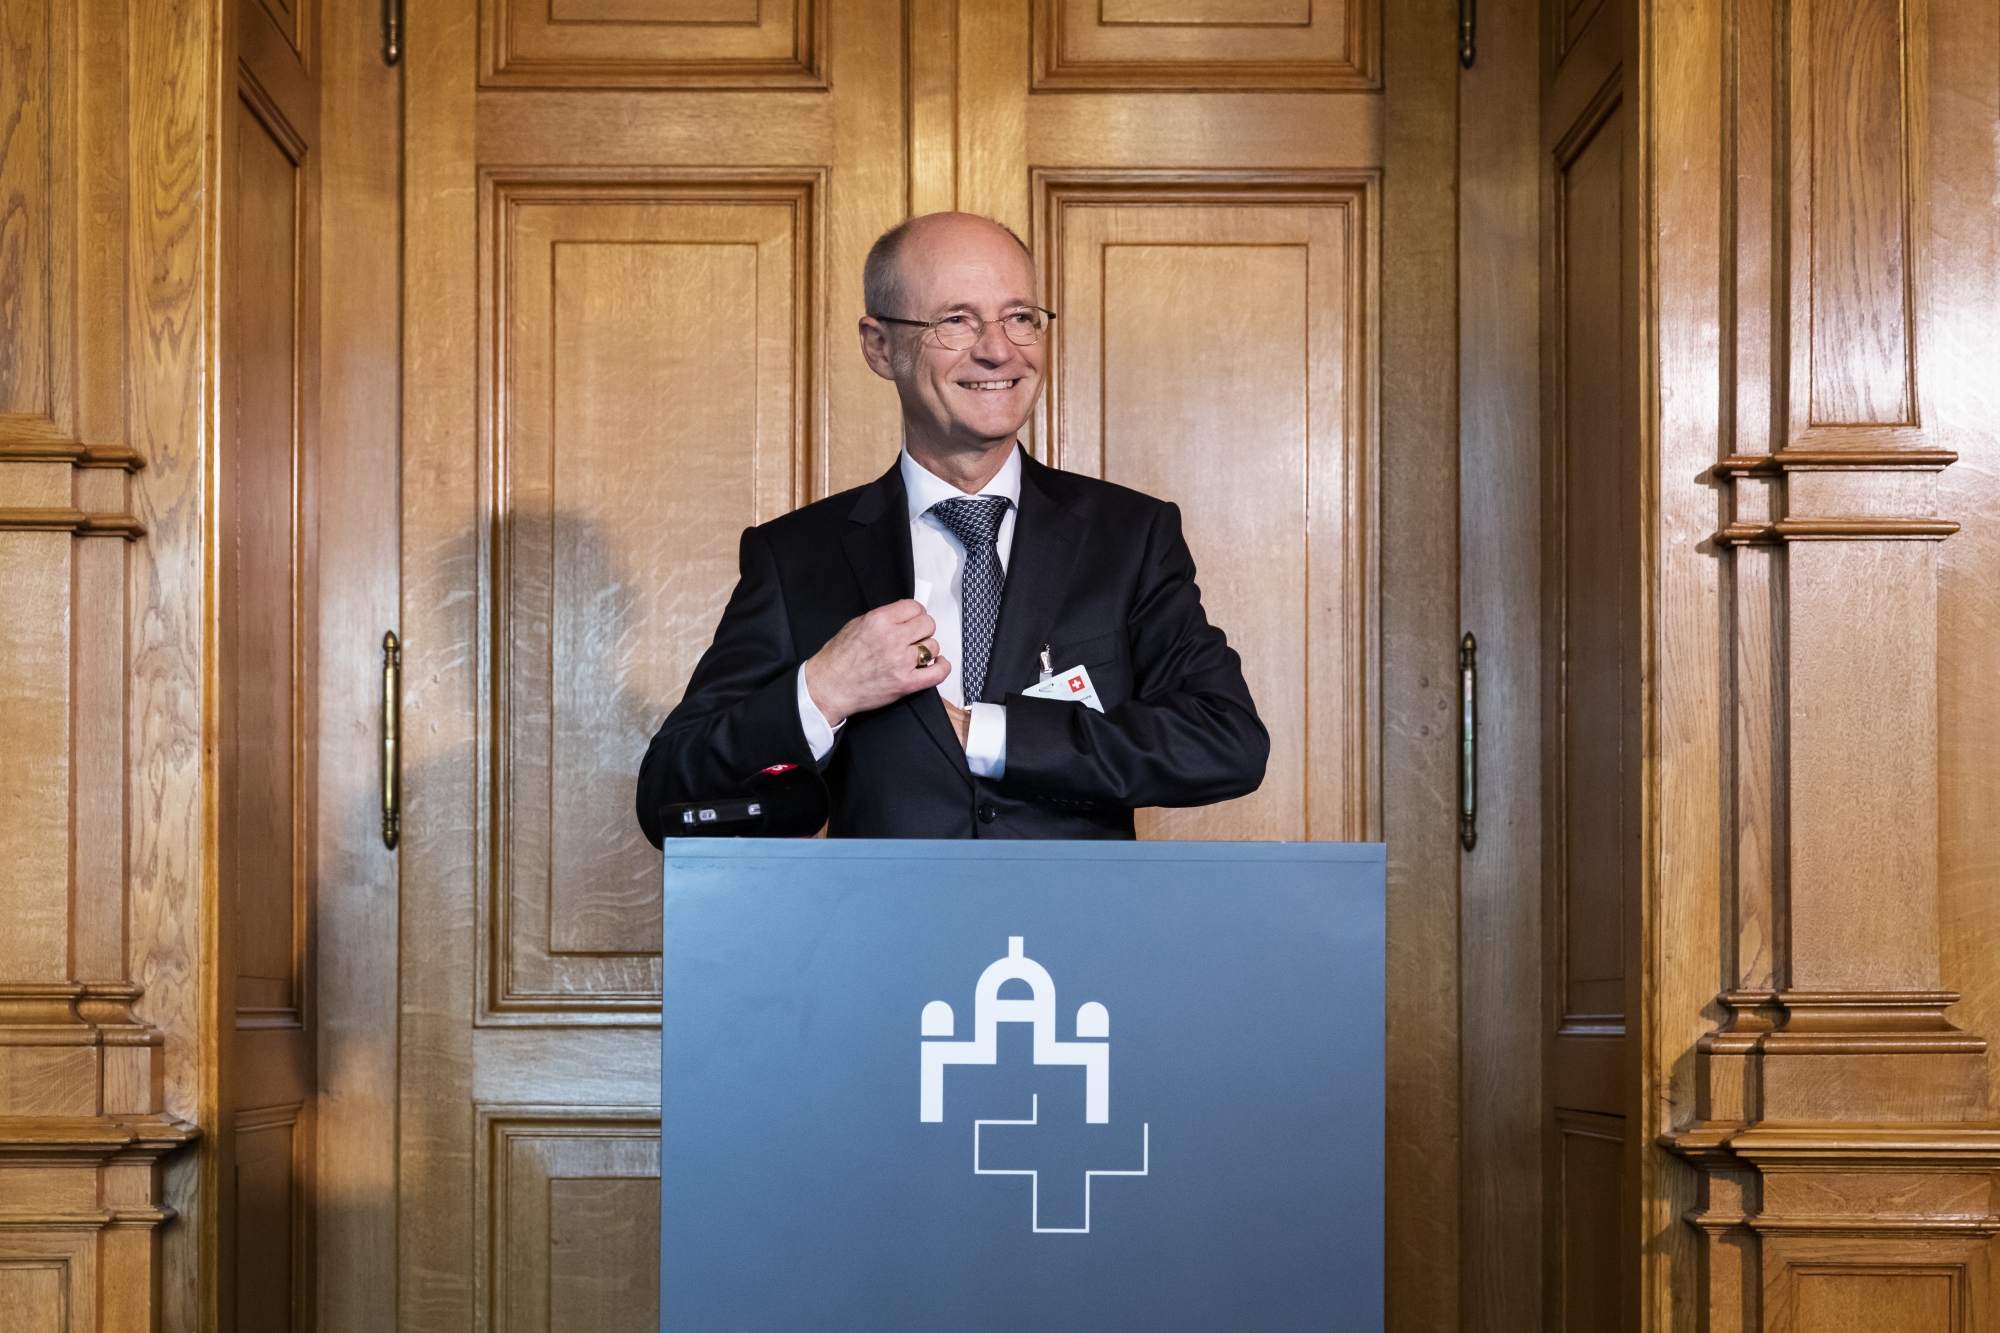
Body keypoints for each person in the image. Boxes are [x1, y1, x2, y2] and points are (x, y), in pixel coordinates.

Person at [636, 212, 1267, 841]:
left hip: (1073, 936)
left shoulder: (1129, 537)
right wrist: (824, 688)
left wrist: (984, 734)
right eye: (955, 320)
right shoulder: (797, 555)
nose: (997, 349)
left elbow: (1226, 741)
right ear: (879, 346)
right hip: (883, 935)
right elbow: (668, 799)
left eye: (1020, 317)